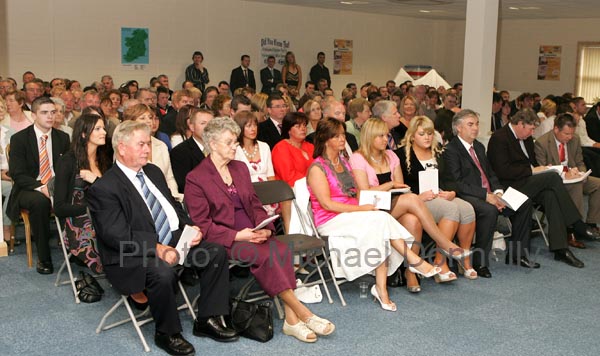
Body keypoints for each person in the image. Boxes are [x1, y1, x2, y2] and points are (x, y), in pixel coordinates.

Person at [88, 120, 237, 355]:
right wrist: (157, 248)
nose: (147, 149)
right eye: (141, 145)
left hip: (173, 240)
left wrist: (191, 226)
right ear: (122, 147)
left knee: (215, 252)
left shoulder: (153, 172)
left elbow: (173, 208)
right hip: (130, 254)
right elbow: (115, 235)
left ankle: (207, 320)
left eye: (148, 144)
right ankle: (167, 333)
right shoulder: (105, 188)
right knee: (161, 271)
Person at [184, 117, 335, 343]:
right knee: (267, 255)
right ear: (212, 144)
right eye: (229, 142)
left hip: (254, 230)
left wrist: (266, 228)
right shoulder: (196, 178)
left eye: (235, 141)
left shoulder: (240, 168)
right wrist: (238, 235)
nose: (235, 146)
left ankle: (291, 321)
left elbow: (254, 204)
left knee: (282, 250)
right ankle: (304, 313)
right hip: (227, 237)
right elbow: (203, 224)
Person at [308, 118, 441, 311]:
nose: (341, 139)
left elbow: (357, 194)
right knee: (380, 219)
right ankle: (412, 261)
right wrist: (362, 208)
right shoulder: (317, 167)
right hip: (330, 219)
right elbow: (327, 204)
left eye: (343, 135)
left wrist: (366, 204)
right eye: (336, 136)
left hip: (352, 213)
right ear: (325, 139)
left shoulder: (343, 162)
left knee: (380, 223)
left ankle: (383, 286)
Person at [350, 117, 471, 287]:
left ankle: (411, 270)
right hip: (372, 206)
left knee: (413, 220)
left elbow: (403, 187)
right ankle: (444, 243)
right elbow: (364, 193)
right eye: (381, 136)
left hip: (396, 203)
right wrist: (390, 184)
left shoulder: (391, 155)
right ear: (370, 136)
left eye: (386, 135)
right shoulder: (358, 158)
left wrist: (394, 187)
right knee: (413, 199)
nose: (386, 139)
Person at [487, 108, 599, 268]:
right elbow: (501, 170)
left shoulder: (525, 138)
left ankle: (560, 249)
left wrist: (543, 169)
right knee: (552, 178)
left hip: (526, 183)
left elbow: (533, 163)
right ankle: (576, 224)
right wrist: (533, 171)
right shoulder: (499, 138)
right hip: (509, 189)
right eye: (531, 128)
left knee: (551, 195)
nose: (532, 132)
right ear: (520, 124)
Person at [442, 110, 536, 276]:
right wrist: (486, 196)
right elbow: (457, 183)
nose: (475, 128)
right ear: (458, 128)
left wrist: (498, 192)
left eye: (477, 124)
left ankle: (518, 254)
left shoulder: (478, 146)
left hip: (490, 192)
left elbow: (490, 173)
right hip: (468, 194)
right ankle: (480, 262)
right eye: (470, 124)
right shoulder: (451, 149)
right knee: (489, 210)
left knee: (523, 202)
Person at [395, 116, 478, 279]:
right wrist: (419, 196)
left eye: (429, 133)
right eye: (421, 134)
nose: (427, 137)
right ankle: (440, 262)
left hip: (440, 194)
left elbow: (450, 178)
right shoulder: (401, 155)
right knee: (451, 210)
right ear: (412, 136)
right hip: (420, 199)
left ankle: (464, 261)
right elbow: (400, 187)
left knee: (468, 209)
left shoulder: (438, 150)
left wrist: (452, 192)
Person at [7, 96, 71, 274]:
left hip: (57, 185)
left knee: (80, 195)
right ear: (34, 114)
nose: (50, 116)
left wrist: (58, 186)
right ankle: (44, 258)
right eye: (44, 113)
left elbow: (69, 168)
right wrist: (42, 187)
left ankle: (79, 250)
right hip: (29, 188)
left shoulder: (63, 138)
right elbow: (17, 174)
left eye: (53, 112)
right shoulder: (20, 139)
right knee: (39, 202)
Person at [54, 113, 111, 275]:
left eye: (104, 128)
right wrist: (89, 209)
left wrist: (95, 180)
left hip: (107, 214)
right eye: (98, 129)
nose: (104, 132)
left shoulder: (105, 160)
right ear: (84, 134)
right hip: (80, 220)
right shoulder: (68, 161)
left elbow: (113, 193)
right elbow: (59, 208)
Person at [534, 113, 600, 240]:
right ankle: (574, 227)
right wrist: (564, 174)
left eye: (572, 133)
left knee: (598, 184)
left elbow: (580, 162)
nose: (570, 137)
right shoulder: (542, 143)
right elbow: (543, 170)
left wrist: (582, 173)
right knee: (576, 186)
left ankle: (591, 223)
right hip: (556, 181)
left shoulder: (575, 139)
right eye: (566, 134)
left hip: (574, 176)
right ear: (556, 129)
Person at [123, 104, 182, 201]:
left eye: (150, 117)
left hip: (166, 197)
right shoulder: (126, 147)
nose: (149, 121)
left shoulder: (161, 145)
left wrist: (173, 197)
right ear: (131, 123)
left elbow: (169, 177)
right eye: (142, 118)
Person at [170, 108, 214, 194]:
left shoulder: (220, 147)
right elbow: (184, 185)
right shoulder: (180, 152)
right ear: (192, 127)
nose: (208, 127)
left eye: (211, 124)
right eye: (203, 123)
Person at [272, 112, 314, 187]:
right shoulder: (281, 148)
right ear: (288, 130)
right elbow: (289, 176)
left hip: (313, 187)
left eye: (304, 125)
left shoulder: (310, 146)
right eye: (298, 126)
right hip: (290, 191)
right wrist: (313, 182)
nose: (303, 129)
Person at [233, 111, 274, 183]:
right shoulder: (234, 149)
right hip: (245, 190)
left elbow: (270, 175)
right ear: (240, 128)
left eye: (255, 125)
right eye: (249, 126)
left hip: (267, 189)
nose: (253, 129)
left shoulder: (264, 146)